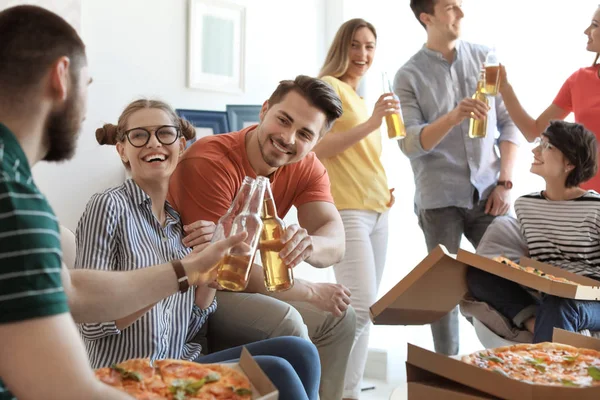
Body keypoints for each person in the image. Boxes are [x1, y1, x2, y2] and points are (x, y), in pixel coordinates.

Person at [0, 5, 243, 400]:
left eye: (164, 135)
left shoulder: (14, 183)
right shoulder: (15, 201)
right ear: (62, 76)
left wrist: (198, 270)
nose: (86, 114)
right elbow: (64, 386)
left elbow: (74, 293)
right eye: (88, 84)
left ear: (181, 146)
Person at [76, 99, 320, 400]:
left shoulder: (181, 224)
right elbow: (90, 321)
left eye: (164, 134)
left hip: (177, 366)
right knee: (276, 370)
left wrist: (207, 280)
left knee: (299, 351)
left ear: (181, 145)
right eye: (139, 136)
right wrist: (180, 275)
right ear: (122, 149)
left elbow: (189, 325)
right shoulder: (108, 206)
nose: (153, 143)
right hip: (125, 378)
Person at [168, 75, 356, 400]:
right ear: (264, 110)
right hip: (195, 289)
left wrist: (312, 244)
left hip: (238, 280)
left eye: (304, 134)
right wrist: (309, 289)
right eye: (283, 120)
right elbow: (225, 271)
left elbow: (335, 240)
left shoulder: (306, 167)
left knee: (340, 317)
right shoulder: (211, 161)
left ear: (316, 142)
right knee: (288, 321)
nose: (287, 138)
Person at [394, 0, 520, 355]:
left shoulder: (486, 58)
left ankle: (510, 362)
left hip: (490, 195)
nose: (461, 13)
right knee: (443, 292)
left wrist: (505, 183)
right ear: (426, 17)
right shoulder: (409, 75)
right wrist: (452, 118)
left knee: (512, 278)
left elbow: (509, 125)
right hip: (438, 199)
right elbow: (409, 143)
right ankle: (446, 373)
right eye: (451, 7)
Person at [313, 18, 396, 400]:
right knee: (358, 306)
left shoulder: (361, 97)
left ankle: (348, 392)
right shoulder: (328, 87)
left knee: (370, 308)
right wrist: (373, 122)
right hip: (346, 209)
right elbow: (319, 147)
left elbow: (362, 158)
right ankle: (326, 388)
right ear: (341, 47)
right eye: (356, 45)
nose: (363, 54)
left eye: (370, 46)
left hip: (377, 208)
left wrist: (382, 188)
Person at [467, 120, 600, 342]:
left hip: (591, 300)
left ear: (569, 163)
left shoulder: (596, 208)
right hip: (546, 290)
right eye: (540, 142)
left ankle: (547, 373)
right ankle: (535, 323)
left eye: (547, 146)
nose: (535, 149)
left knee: (561, 304)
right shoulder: (525, 205)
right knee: (478, 273)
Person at [498, 5, 600, 191]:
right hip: (585, 200)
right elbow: (534, 131)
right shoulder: (579, 79)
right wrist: (504, 88)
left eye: (595, 25)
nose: (586, 31)